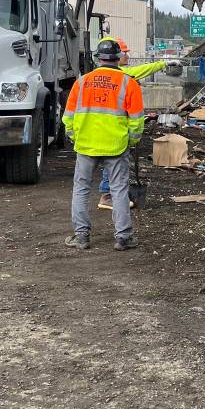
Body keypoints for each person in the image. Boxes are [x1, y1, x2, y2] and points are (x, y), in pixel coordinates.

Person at [63, 38, 145, 251]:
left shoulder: (81, 82)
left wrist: (74, 137)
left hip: (86, 145)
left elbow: (68, 117)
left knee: (81, 189)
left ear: (97, 58)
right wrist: (132, 141)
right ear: (118, 58)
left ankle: (81, 236)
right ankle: (123, 238)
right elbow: (136, 121)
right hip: (116, 145)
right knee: (119, 190)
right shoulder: (129, 83)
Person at [94, 36, 170, 211]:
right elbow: (141, 71)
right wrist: (162, 64)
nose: (127, 56)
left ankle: (112, 193)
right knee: (113, 162)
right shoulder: (120, 76)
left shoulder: (102, 75)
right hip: (111, 128)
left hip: (102, 127)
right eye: (125, 53)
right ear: (116, 55)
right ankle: (107, 195)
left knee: (108, 164)